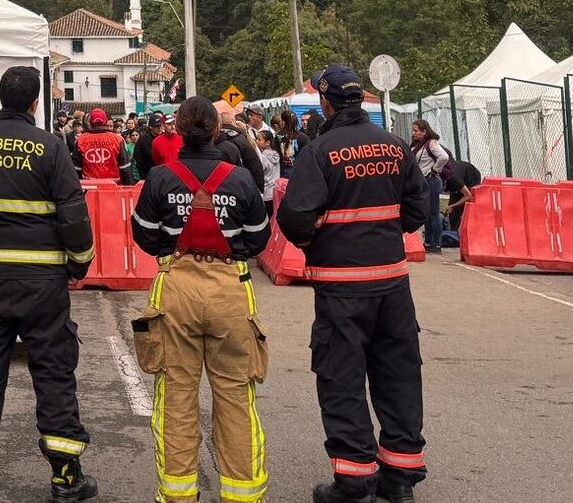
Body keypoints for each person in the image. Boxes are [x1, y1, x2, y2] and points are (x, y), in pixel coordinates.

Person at [279, 65, 429, 503]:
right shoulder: (397, 147)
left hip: (341, 285)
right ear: (362, 99)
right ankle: (400, 479)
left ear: (325, 102)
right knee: (398, 374)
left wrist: (318, 243)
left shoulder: (320, 151)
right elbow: (417, 212)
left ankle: (354, 481)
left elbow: (294, 218)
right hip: (392, 283)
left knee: (342, 378)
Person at [0, 66, 99, 501]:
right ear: (36, 103)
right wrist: (79, 265)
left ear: (1, 97)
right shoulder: (51, 147)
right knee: (53, 373)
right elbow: (72, 213)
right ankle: (66, 477)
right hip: (44, 285)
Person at [131, 96, 273, 503]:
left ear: (177, 128)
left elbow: (143, 234)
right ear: (216, 130)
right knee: (235, 396)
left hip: (175, 286)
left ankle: (178, 494)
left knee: (176, 394)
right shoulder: (241, 178)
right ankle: (242, 494)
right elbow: (258, 237)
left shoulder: (160, 178)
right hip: (231, 288)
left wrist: (173, 247)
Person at [407, 121, 453, 255]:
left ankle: (436, 243)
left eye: (416, 131)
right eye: (413, 131)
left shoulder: (431, 143)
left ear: (424, 131)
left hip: (431, 180)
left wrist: (435, 170)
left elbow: (444, 157)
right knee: (426, 213)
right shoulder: (416, 145)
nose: (414, 133)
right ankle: (428, 241)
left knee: (433, 212)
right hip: (423, 180)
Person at [215, 101, 268, 190]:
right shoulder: (242, 140)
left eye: (252, 115)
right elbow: (255, 166)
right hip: (241, 186)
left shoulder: (212, 141)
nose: (249, 117)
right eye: (249, 115)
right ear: (233, 122)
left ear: (260, 117)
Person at [76, 107, 132, 182]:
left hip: (89, 187)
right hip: (113, 187)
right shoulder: (118, 139)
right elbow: (125, 167)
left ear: (90, 122)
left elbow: (76, 168)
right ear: (105, 121)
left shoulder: (81, 140)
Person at [135, 112, 184, 179]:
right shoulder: (156, 142)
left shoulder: (182, 138)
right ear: (163, 125)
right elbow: (156, 160)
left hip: (180, 176)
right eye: (169, 124)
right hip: (164, 176)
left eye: (174, 124)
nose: (173, 127)